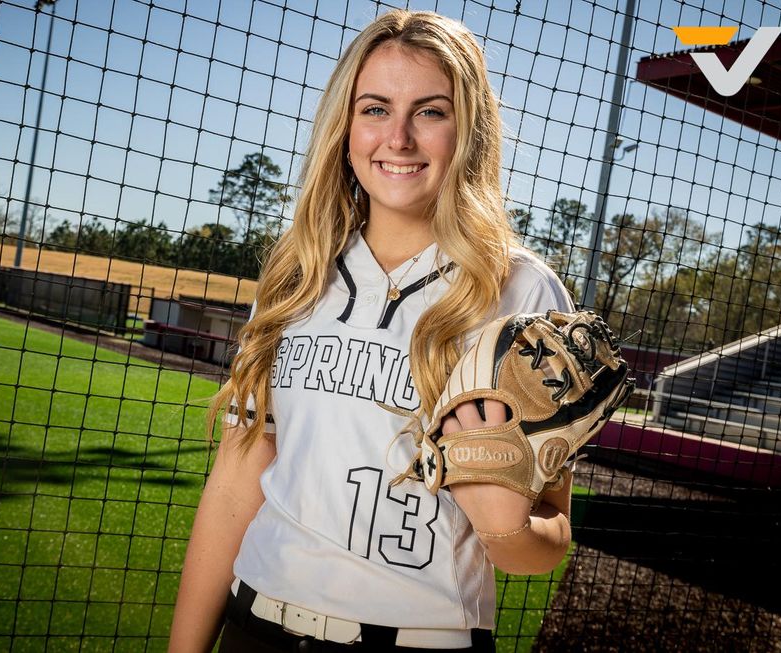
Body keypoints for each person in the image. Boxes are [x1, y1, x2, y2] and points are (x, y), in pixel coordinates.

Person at [168, 9, 574, 652]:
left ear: (469, 130)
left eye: (431, 111)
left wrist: (504, 528)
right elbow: (234, 483)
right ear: (346, 125)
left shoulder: (522, 293)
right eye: (376, 109)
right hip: (256, 627)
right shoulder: (297, 272)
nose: (399, 138)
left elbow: (548, 542)